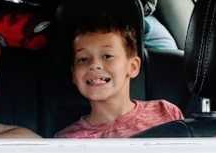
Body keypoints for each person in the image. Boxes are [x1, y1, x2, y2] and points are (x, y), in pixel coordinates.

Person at [55, 19, 183, 138]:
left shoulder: (165, 112)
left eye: (107, 56)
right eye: (83, 59)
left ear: (133, 67)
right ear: (73, 75)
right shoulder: (67, 140)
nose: (94, 65)